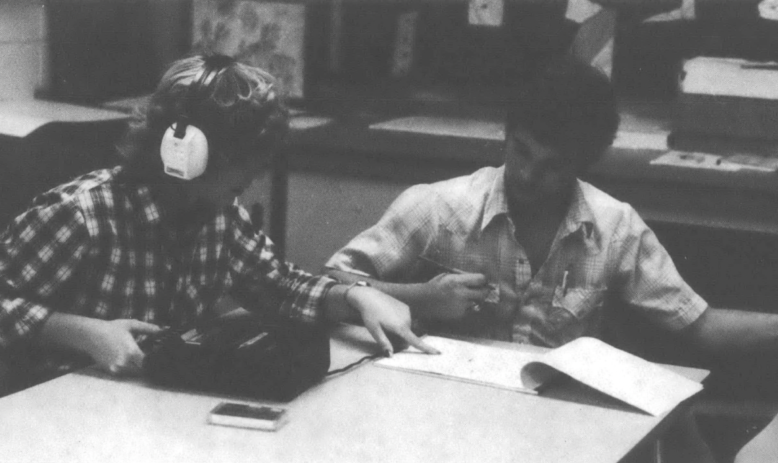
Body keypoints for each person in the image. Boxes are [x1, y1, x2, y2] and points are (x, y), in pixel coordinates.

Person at [327, 56, 778, 462]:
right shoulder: (439, 208)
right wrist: (421, 298)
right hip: (443, 422)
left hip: (558, 434)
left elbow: (700, 325)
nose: (527, 175)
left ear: (584, 163)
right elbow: (327, 281)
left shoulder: (614, 227)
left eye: (552, 166)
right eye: (520, 151)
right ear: (507, 134)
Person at [0, 54, 436, 395]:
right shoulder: (80, 216)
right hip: (59, 412)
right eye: (243, 165)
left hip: (152, 406)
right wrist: (82, 333)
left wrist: (357, 298)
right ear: (185, 152)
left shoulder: (219, 217)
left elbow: (276, 285)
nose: (251, 179)